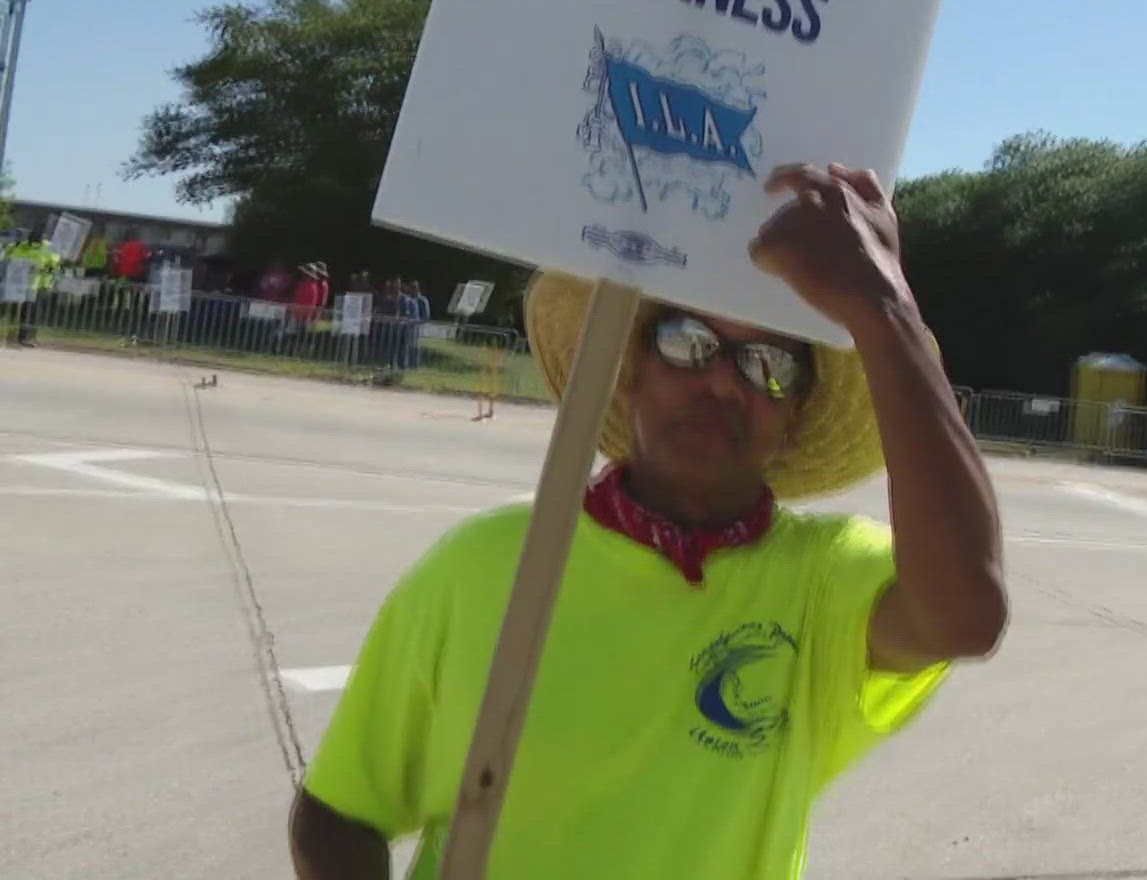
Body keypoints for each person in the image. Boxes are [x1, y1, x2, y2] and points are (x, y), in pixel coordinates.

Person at [289, 163, 1006, 879]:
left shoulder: (824, 583)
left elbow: (966, 617)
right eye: (687, 340)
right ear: (630, 369)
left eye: (770, 365)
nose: (725, 379)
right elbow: (339, 813)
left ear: (795, 419)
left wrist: (884, 308)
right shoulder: (484, 562)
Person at [4, 235, 60, 346]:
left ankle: (28, 337)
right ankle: (21, 337)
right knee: (21, 311)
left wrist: (43, 269)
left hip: (39, 285)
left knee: (33, 312)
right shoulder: (20, 246)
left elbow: (55, 265)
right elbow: (9, 259)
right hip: (19, 284)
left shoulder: (48, 247)